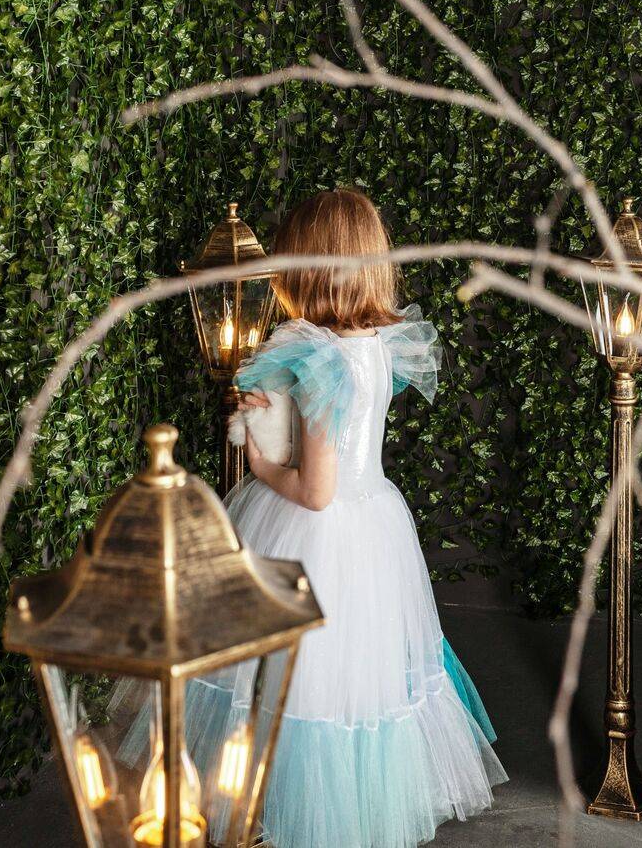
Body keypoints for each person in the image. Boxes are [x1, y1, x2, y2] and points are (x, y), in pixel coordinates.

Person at [200, 188, 506, 848]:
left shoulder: (319, 357)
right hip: (374, 525)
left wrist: (259, 459)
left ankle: (303, 816)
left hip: (319, 535)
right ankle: (363, 806)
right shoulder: (380, 343)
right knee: (360, 685)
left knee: (302, 682)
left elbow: (315, 491)